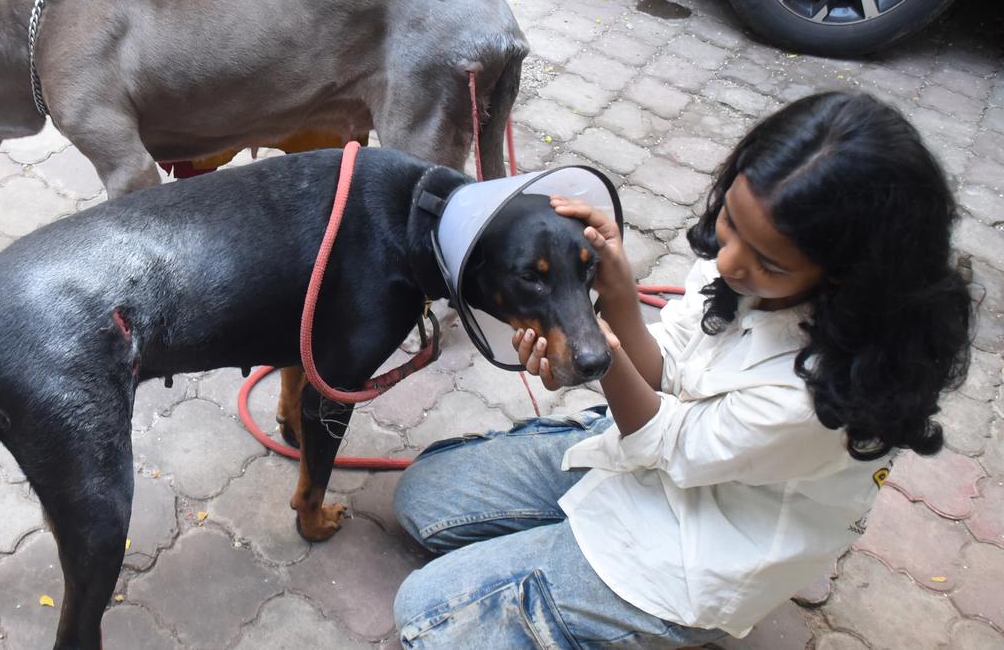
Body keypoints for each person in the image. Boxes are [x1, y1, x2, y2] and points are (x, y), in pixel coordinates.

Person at [391, 92, 974, 648]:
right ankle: (555, 560)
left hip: (695, 550)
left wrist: (596, 347)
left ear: (847, 274)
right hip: (648, 456)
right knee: (421, 496)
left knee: (426, 617)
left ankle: (665, 625)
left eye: (765, 260)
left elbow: (668, 441)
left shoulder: (817, 397)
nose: (727, 260)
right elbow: (663, 369)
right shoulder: (743, 271)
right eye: (732, 221)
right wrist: (615, 290)